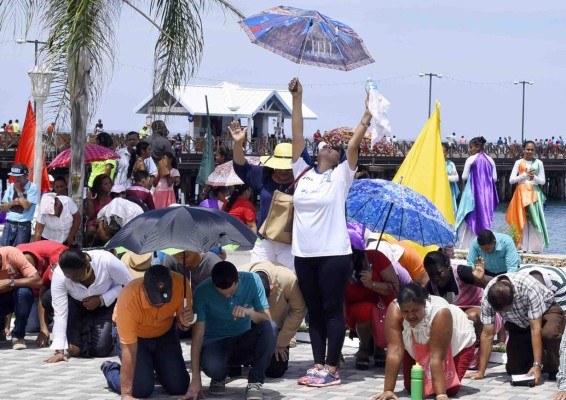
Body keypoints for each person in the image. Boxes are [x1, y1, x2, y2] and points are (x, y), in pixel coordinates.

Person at [289, 77, 366, 387]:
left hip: (334, 254)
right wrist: (297, 97)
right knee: (314, 311)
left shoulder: (340, 178)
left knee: (333, 309)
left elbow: (352, 146)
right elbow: (297, 134)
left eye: (333, 149)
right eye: (326, 146)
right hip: (303, 253)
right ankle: (318, 363)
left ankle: (333, 369)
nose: (329, 148)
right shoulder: (303, 173)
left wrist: (366, 117)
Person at [182, 261, 277, 400]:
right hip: (215, 343)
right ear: (213, 284)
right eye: (222, 294)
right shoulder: (202, 291)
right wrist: (196, 378)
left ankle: (255, 382)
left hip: (243, 341)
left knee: (271, 327)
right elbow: (198, 335)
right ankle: (219, 377)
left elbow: (267, 318)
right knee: (212, 366)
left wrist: (250, 312)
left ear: (238, 279)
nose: (228, 296)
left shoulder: (253, 280)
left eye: (232, 292)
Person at [100, 265, 192, 399]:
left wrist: (185, 323)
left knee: (180, 387)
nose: (160, 304)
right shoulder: (128, 297)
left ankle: (156, 371)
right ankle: (110, 369)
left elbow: (182, 325)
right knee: (140, 390)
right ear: (144, 289)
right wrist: (126, 394)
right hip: (137, 339)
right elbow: (129, 349)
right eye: (155, 299)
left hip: (165, 334)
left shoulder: (182, 284)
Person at [371, 284, 476, 400]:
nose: (411, 315)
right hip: (418, 345)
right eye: (406, 311)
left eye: (415, 310)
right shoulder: (394, 309)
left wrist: (441, 395)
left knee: (450, 389)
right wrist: (388, 390)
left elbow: (436, 356)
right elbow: (394, 350)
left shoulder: (440, 312)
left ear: (424, 304)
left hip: (456, 343)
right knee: (412, 387)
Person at [467, 271, 564, 384]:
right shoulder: (488, 296)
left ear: (515, 296)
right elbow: (487, 334)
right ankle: (539, 359)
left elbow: (535, 329)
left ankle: (554, 367)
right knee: (515, 370)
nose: (503, 313)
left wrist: (536, 365)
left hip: (546, 311)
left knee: (549, 334)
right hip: (518, 322)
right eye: (500, 311)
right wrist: (481, 371)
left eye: (506, 310)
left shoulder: (528, 288)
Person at [45, 248, 132, 363]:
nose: (72, 280)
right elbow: (60, 312)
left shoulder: (107, 261)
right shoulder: (60, 274)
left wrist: (102, 299)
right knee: (74, 351)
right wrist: (59, 351)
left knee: (101, 350)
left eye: (76, 277)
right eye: (68, 277)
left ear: (86, 265)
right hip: (77, 304)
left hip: (107, 303)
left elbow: (128, 285)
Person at [230, 122, 296, 270]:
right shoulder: (263, 175)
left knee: (291, 280)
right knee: (258, 274)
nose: (283, 172)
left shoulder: (302, 181)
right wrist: (237, 144)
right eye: (280, 168)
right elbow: (241, 167)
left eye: (287, 169)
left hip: (291, 243)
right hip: (264, 240)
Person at [238, 261, 307, 378]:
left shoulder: (288, 279)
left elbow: (299, 309)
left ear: (271, 287)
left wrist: (280, 342)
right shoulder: (238, 275)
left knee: (275, 370)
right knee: (228, 367)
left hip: (275, 328)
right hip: (243, 329)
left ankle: (255, 357)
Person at [345, 249, 399, 370]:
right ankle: (364, 347)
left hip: (382, 308)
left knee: (384, 306)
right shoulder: (340, 264)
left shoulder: (377, 257)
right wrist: (335, 347)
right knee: (366, 310)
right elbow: (338, 303)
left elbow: (394, 287)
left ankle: (380, 345)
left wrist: (371, 284)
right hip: (354, 312)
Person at [16, 240, 68, 348]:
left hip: (63, 285)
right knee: (31, 327)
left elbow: (44, 294)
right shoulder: (14, 257)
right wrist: (43, 329)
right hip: (37, 289)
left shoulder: (59, 260)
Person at [506, 140, 549, 253]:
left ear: (535, 150)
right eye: (528, 149)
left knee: (534, 220)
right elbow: (511, 180)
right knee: (521, 219)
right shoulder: (518, 162)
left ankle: (535, 248)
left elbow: (543, 181)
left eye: (532, 149)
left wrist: (533, 177)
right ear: (523, 150)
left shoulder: (539, 163)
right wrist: (524, 175)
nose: (530, 151)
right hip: (521, 192)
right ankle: (521, 246)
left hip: (534, 192)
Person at [455, 136, 498, 249]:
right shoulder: (490, 160)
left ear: (478, 147)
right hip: (486, 194)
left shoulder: (471, 159)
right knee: (484, 216)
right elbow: (494, 178)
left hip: (472, 192)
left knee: (468, 214)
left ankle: (466, 245)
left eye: (471, 147)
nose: (469, 150)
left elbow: (464, 177)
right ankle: (483, 245)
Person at [0, 246, 42, 349]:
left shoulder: (12, 254)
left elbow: (37, 281)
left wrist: (10, 282)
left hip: (16, 295)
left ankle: (18, 336)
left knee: (24, 293)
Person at [1, 163, 39, 246]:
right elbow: (3, 208)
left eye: (18, 177)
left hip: (23, 226)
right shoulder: (11, 187)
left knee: (20, 252)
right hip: (9, 225)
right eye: (14, 177)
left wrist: (18, 191)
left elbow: (26, 206)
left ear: (26, 176)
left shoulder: (33, 187)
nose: (16, 179)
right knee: (4, 252)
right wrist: (12, 203)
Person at [85, 174, 113, 245]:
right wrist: (89, 200)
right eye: (105, 184)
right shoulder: (94, 198)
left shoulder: (112, 198)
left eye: (109, 183)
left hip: (107, 222)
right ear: (100, 186)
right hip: (94, 222)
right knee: (91, 230)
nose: (109, 185)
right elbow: (91, 215)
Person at [442, 142, 460, 218]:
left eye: (443, 151)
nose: (441, 153)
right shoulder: (434, 164)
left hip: (449, 191)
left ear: (447, 152)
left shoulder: (450, 164)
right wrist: (449, 177)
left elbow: (456, 177)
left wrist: (444, 177)